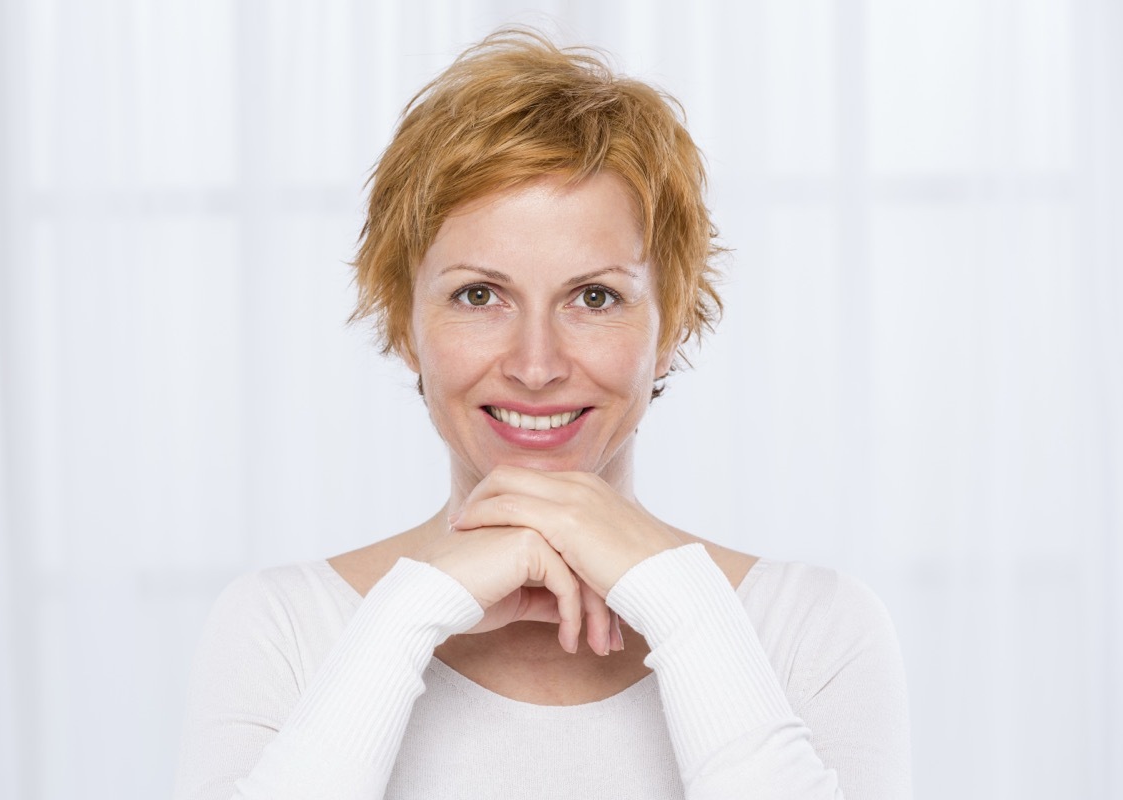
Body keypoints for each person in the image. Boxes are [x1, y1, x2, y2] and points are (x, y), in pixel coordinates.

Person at [173, 28, 911, 800]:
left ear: (673, 328)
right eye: (478, 295)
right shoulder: (282, 630)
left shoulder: (814, 631)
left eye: (594, 297)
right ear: (403, 324)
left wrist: (683, 607)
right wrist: (407, 616)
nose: (535, 365)